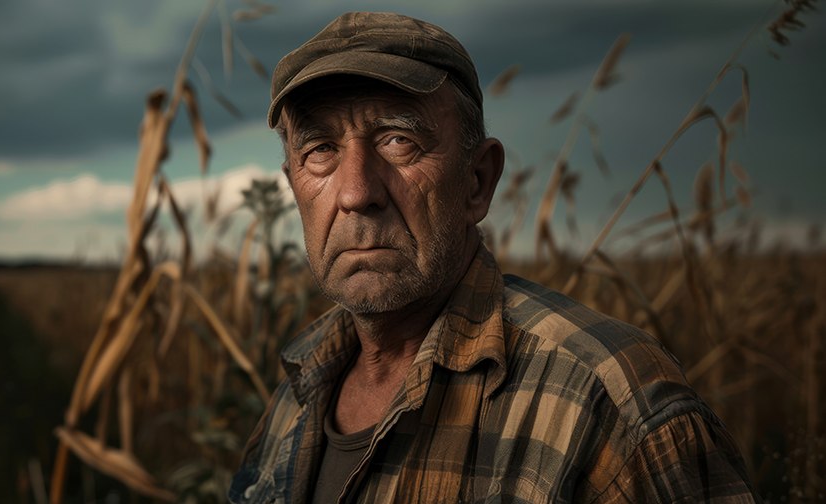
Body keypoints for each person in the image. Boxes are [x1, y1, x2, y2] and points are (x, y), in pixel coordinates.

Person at [229, 11, 760, 504]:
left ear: (478, 182)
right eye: (319, 150)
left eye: (397, 140)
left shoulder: (611, 403)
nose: (355, 193)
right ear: (294, 186)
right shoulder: (299, 388)